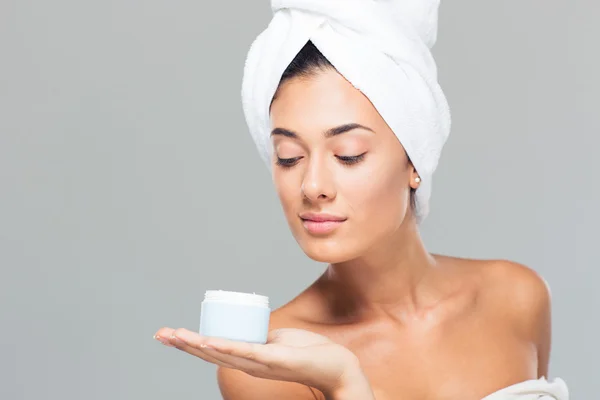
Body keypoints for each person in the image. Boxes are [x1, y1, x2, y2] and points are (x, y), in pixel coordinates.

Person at [154, 1, 568, 399]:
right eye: (289, 157)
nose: (312, 185)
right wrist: (343, 383)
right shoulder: (269, 366)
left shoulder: (516, 298)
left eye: (348, 153)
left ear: (414, 160)